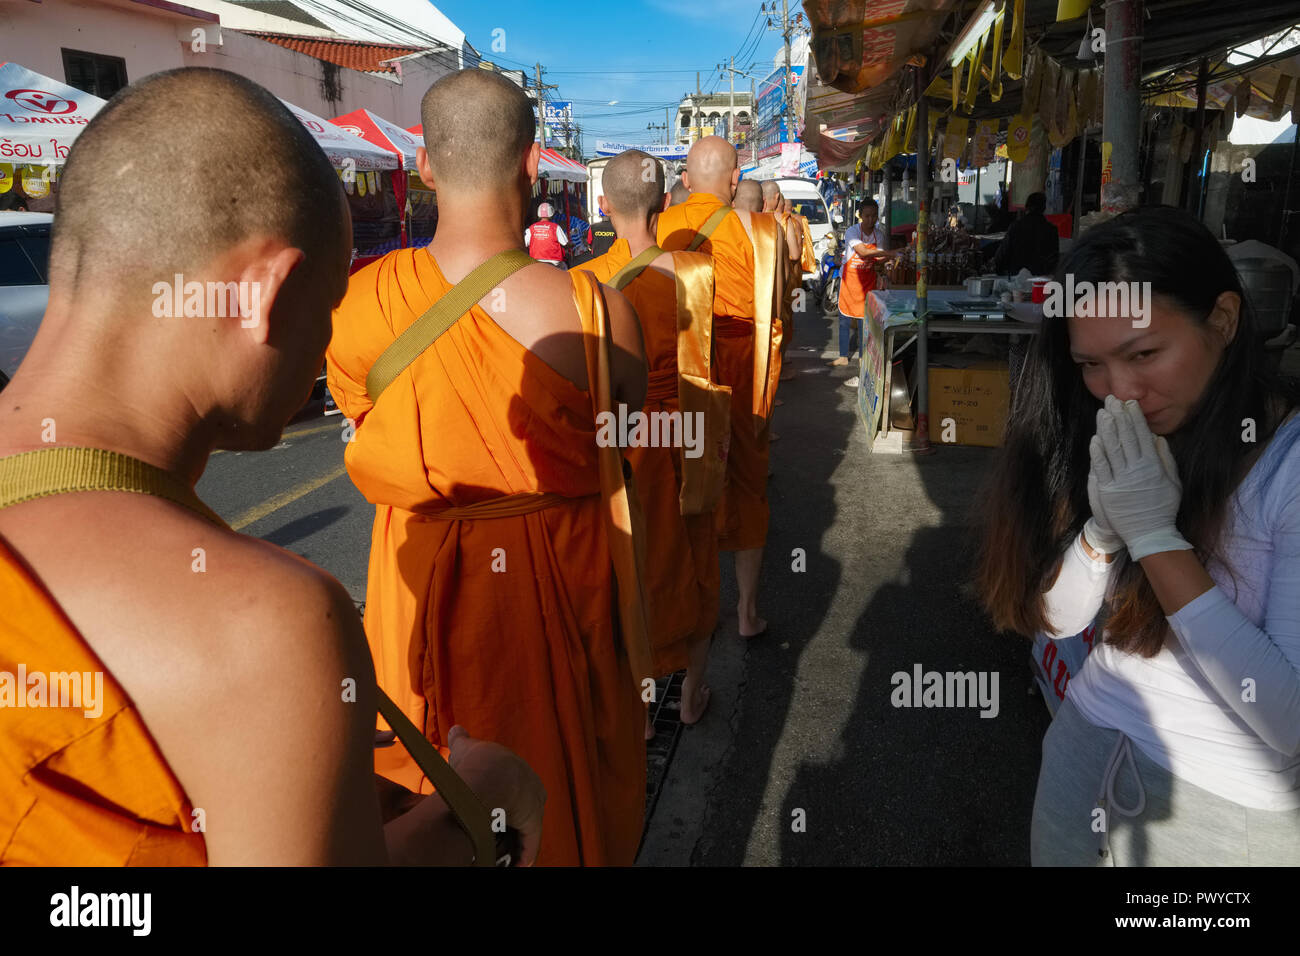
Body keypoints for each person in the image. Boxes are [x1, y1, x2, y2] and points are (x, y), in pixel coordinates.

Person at [0, 67, 544, 866]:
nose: (323, 349)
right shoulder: (266, 625)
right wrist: (484, 802)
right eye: (325, 309)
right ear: (265, 295)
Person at [327, 68, 651, 867]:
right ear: (534, 162)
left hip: (417, 579)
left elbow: (359, 416)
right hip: (560, 589)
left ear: (426, 166)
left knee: (428, 786)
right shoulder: (598, 310)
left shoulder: (359, 305)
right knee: (563, 781)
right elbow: (624, 435)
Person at [977, 205, 1300, 866]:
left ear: (1223, 320)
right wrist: (1101, 529)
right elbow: (1058, 621)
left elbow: (1287, 721)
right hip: (1084, 743)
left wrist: (1155, 538)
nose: (1119, 390)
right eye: (1092, 365)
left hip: (1214, 810)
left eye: (1145, 353)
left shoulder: (1285, 469)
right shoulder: (1135, 438)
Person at [579, 149, 720, 734]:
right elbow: (711, 365)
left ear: (604, 205)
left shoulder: (584, 284)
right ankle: (690, 693)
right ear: (666, 202)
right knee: (697, 559)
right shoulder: (695, 273)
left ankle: (638, 708)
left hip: (622, 445)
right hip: (687, 440)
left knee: (628, 568)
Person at [657, 136, 783, 640]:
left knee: (681, 486)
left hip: (676, 371)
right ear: (735, 179)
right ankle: (747, 613)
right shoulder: (762, 230)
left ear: (685, 180)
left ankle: (686, 613)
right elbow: (773, 314)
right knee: (748, 487)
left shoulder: (658, 226)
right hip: (739, 367)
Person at [832, 199, 894, 369]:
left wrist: (888, 258)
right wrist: (891, 253)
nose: (870, 219)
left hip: (868, 280)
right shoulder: (852, 231)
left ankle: (862, 356)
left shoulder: (878, 235)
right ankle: (843, 355)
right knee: (844, 319)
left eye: (874, 216)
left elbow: (878, 256)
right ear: (860, 215)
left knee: (864, 321)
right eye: (866, 216)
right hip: (850, 280)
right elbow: (863, 252)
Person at [993, 191, 1059, 276]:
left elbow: (1000, 257)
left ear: (1026, 207)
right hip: (1040, 282)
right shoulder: (1051, 230)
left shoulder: (1016, 227)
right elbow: (1054, 260)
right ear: (1044, 208)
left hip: (1016, 280)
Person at [525, 201, 568, 267]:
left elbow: (525, 243)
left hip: (535, 261)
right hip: (554, 261)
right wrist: (571, 245)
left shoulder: (531, 228)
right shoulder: (555, 227)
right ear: (552, 214)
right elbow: (565, 244)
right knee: (565, 268)